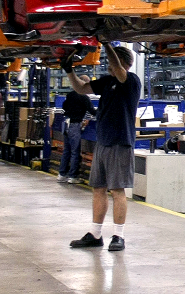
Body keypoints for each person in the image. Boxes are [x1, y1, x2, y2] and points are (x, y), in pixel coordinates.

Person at [64, 43, 140, 252]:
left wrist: (106, 44)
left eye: (112, 60)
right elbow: (81, 88)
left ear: (123, 62)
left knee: (117, 190)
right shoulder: (107, 82)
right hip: (103, 142)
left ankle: (118, 236)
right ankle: (96, 234)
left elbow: (119, 71)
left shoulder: (131, 81)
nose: (108, 65)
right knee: (98, 188)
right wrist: (69, 69)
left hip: (120, 142)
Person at [58, 90, 94, 184]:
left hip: (66, 124)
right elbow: (92, 111)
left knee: (66, 151)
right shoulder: (84, 97)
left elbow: (64, 106)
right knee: (75, 152)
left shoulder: (70, 94)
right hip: (75, 125)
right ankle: (72, 177)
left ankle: (62, 175)